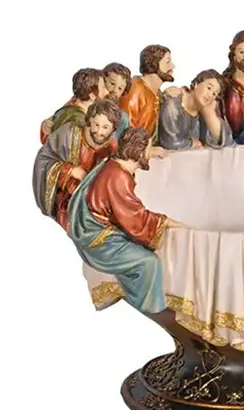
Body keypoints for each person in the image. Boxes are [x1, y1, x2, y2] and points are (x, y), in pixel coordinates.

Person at [66, 127, 187, 314]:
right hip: (100, 240)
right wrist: (168, 222)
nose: (149, 153)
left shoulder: (114, 164)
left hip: (101, 228)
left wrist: (151, 151)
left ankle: (141, 299)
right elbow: (135, 218)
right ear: (137, 151)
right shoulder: (118, 177)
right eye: (147, 148)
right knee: (149, 262)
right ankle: (151, 308)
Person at [33, 99, 122, 231]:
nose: (99, 132)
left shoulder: (112, 148)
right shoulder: (69, 134)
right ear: (89, 121)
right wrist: (70, 171)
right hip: (66, 204)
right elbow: (43, 160)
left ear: (113, 128)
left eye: (105, 127)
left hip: (95, 206)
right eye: (96, 125)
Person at [119, 44, 180, 157]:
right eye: (167, 62)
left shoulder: (157, 93)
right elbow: (125, 133)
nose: (173, 66)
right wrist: (145, 151)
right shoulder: (134, 91)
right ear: (153, 65)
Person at [158, 69, 234, 149]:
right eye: (209, 88)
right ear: (196, 84)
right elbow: (169, 142)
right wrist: (191, 143)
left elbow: (226, 140)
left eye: (214, 94)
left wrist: (210, 115)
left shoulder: (204, 111)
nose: (210, 95)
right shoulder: (172, 106)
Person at [39, 68, 109, 144]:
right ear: (92, 95)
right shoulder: (80, 121)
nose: (107, 92)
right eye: (103, 87)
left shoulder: (72, 106)